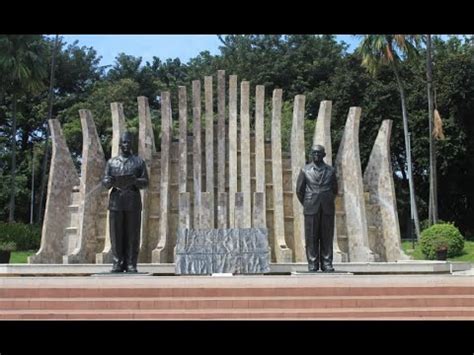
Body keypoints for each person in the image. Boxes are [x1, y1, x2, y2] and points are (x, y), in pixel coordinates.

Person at [102, 132, 148, 273]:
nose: (126, 145)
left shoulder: (139, 162)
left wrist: (135, 181)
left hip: (132, 202)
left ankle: (130, 263)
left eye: (129, 142)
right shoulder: (112, 162)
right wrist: (108, 181)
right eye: (124, 142)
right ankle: (117, 263)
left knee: (132, 235)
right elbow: (105, 181)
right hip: (116, 202)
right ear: (120, 145)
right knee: (116, 235)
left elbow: (146, 182)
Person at [296, 145, 337, 272]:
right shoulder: (305, 170)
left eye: (319, 153)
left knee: (327, 236)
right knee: (311, 236)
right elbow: (299, 190)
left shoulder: (331, 170)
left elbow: (335, 189)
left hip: (327, 206)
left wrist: (327, 199)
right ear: (311, 154)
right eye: (314, 153)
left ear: (324, 155)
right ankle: (312, 263)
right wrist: (308, 202)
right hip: (310, 206)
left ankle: (327, 263)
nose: (316, 155)